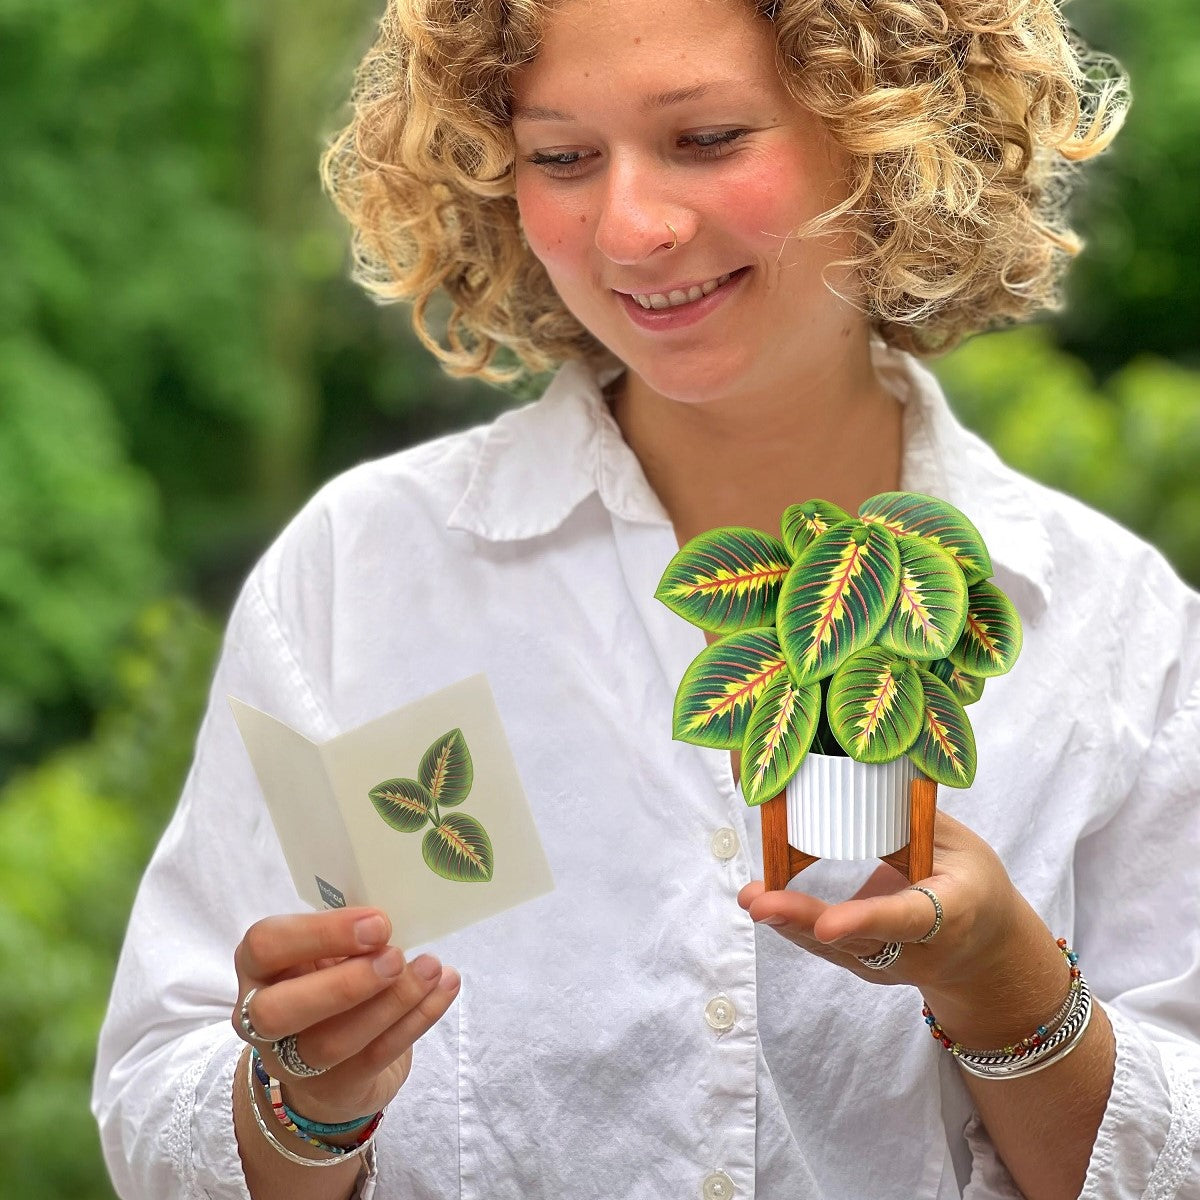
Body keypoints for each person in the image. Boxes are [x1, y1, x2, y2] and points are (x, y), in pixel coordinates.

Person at [93, 0, 1200, 1197]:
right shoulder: (364, 576)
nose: (630, 228)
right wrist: (302, 1102)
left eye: (709, 138)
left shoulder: (1110, 628)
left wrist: (1008, 990)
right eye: (562, 158)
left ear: (893, 139)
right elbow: (161, 1099)